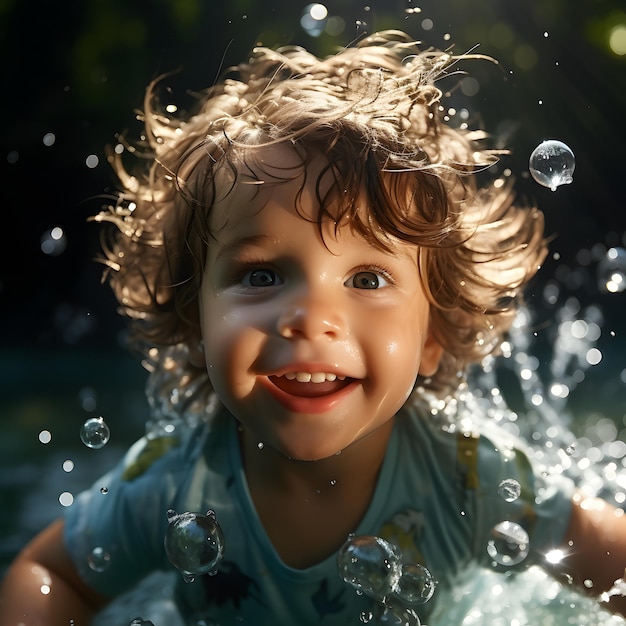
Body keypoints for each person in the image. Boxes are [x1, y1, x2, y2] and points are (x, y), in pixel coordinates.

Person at [1, 29, 625, 626]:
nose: (311, 318)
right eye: (263, 275)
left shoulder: (468, 480)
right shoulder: (173, 485)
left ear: (433, 334)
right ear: (195, 319)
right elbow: (51, 572)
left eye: (368, 280)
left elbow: (606, 550)